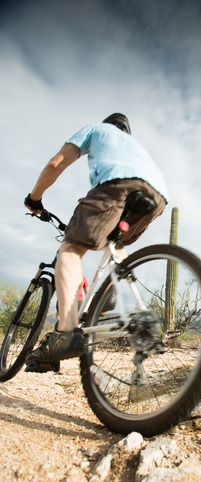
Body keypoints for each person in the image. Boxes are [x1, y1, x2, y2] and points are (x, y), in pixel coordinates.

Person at [24, 113, 168, 372]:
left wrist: (35, 198)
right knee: (116, 243)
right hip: (157, 196)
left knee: (71, 249)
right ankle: (111, 291)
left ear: (108, 125)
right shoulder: (134, 147)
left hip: (118, 185)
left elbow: (55, 164)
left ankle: (66, 333)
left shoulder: (95, 130)